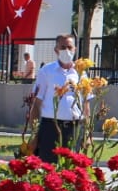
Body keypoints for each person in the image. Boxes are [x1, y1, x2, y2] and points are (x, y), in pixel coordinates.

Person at [29, 34, 83, 163]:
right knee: (48, 167)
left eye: (69, 47)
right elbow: (36, 103)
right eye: (62, 47)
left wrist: (86, 134)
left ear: (75, 49)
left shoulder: (81, 73)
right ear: (56, 50)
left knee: (71, 168)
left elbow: (85, 104)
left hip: (73, 128)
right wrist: (34, 134)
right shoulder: (47, 71)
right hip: (50, 128)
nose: (66, 51)